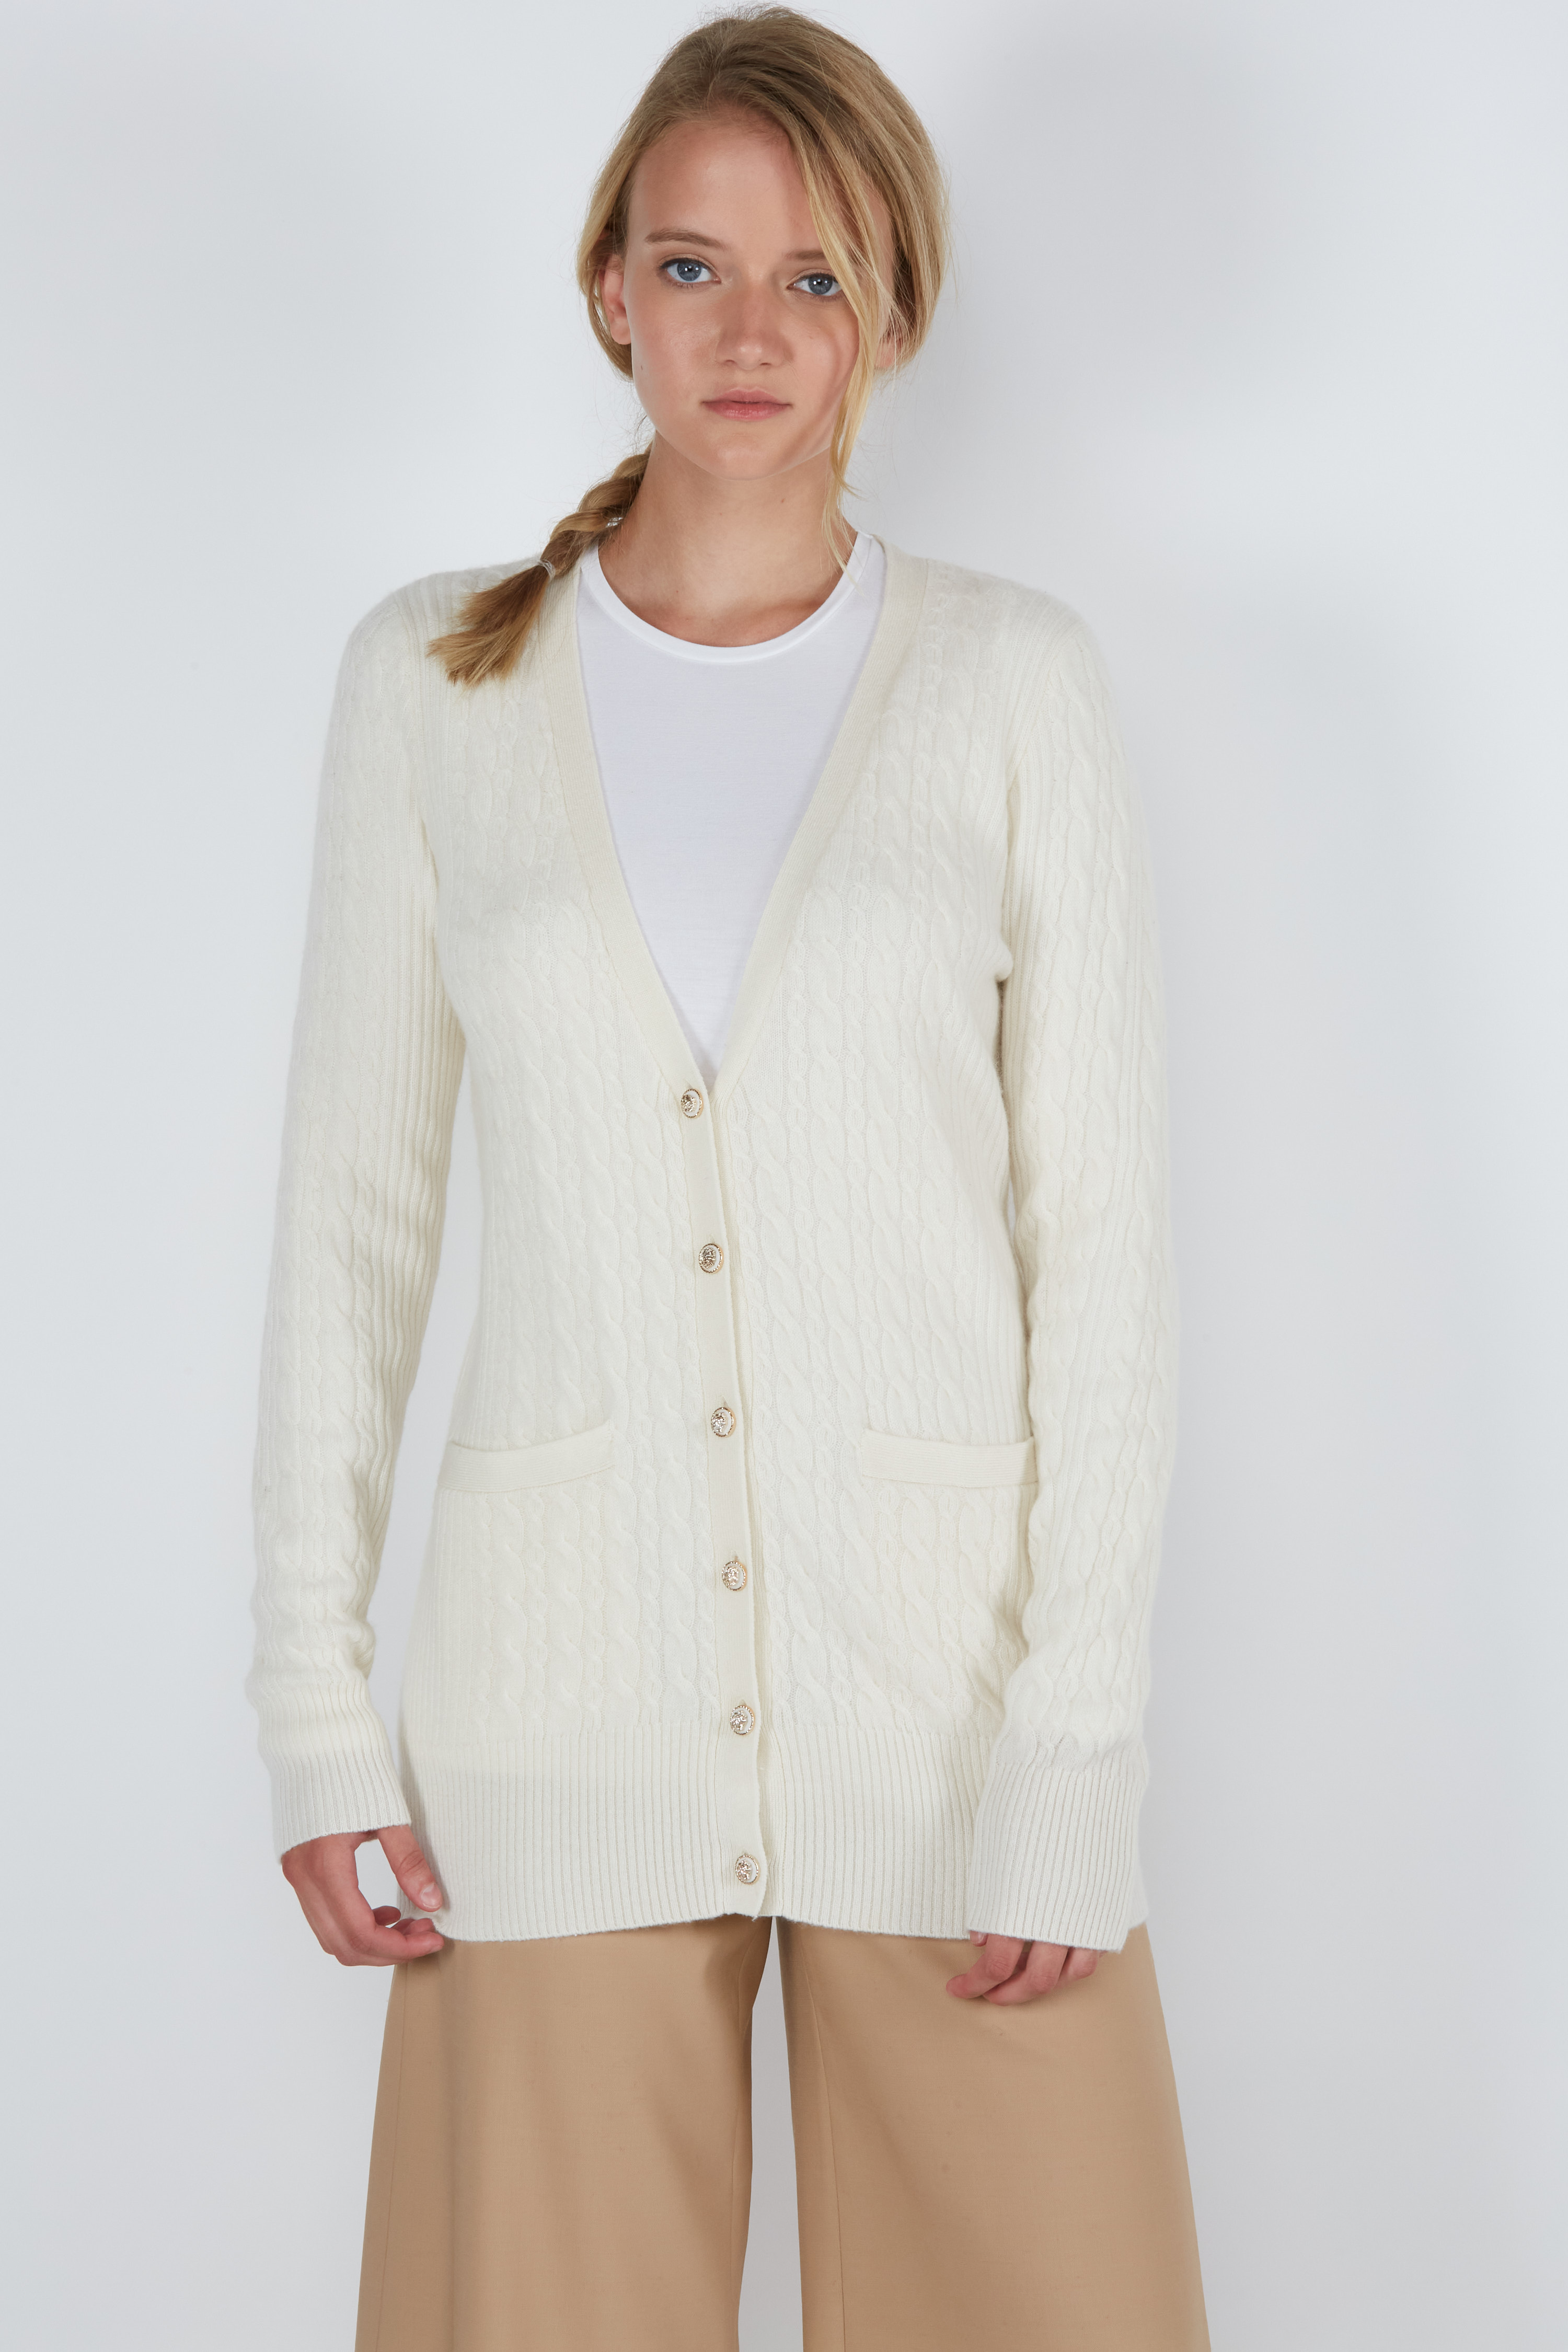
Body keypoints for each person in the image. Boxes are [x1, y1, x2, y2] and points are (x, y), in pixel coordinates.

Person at [248, 9, 1210, 2347]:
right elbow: (353, 1232)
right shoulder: (432, 686)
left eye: (815, 275)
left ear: (892, 307)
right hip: (550, 1712)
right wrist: (315, 1711)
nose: (750, 331)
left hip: (954, 1711)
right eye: (693, 267)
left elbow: (1101, 1255)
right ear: (612, 287)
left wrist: (1075, 1746)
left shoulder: (1014, 684)